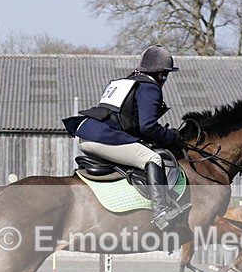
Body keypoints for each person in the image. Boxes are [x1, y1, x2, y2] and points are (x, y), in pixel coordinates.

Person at [63, 45, 189, 230]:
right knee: (152, 158)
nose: (165, 80)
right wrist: (171, 137)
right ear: (161, 74)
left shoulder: (126, 82)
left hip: (85, 135)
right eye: (166, 75)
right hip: (104, 139)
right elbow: (148, 126)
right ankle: (161, 211)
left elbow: (127, 122)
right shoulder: (149, 87)